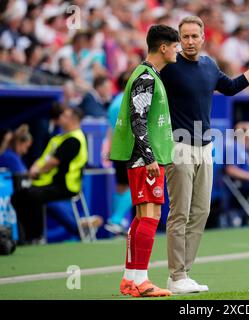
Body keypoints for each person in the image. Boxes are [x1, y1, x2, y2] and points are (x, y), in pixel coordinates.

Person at [160, 16, 249, 294]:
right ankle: (176, 275)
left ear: (203, 38)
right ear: (178, 40)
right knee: (179, 213)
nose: (190, 41)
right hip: (178, 147)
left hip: (205, 148)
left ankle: (183, 274)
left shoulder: (209, 65)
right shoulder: (167, 67)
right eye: (185, 37)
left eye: (195, 36)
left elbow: (232, 87)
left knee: (201, 211)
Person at [110, 25, 179, 298]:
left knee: (141, 218)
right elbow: (138, 118)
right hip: (145, 158)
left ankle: (130, 279)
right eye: (175, 46)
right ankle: (142, 281)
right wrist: (149, 156)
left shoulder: (145, 74)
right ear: (164, 47)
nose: (178, 51)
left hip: (143, 156)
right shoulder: (147, 77)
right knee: (150, 217)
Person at [11, 107, 92, 244]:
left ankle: (35, 237)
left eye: (65, 116)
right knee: (21, 196)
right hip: (50, 183)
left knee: (32, 196)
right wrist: (36, 167)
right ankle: (26, 236)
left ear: (72, 119)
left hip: (66, 186)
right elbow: (45, 157)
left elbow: (53, 162)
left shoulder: (74, 139)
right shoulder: (61, 138)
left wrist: (36, 172)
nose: (61, 118)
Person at [103, 71, 134, 236]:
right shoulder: (129, 101)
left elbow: (110, 129)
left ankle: (117, 224)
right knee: (138, 186)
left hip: (118, 149)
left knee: (121, 187)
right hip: (130, 149)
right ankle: (116, 219)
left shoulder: (115, 102)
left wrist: (108, 149)